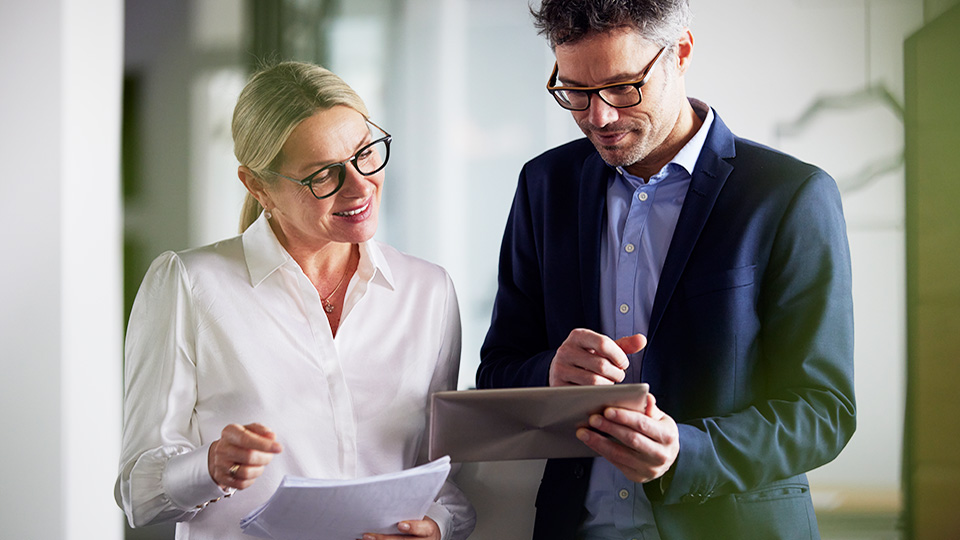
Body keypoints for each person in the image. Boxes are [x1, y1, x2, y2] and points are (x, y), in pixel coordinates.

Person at [477, 1, 855, 539]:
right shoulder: (544, 186)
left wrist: (688, 451)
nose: (598, 117)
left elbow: (825, 410)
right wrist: (550, 374)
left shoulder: (790, 195)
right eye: (576, 92)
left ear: (681, 52)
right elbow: (497, 372)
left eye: (622, 87)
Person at [116, 61, 476, 540]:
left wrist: (437, 527)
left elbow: (440, 476)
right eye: (324, 174)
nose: (360, 184)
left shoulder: (427, 291)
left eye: (365, 153)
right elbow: (136, 493)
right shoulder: (189, 284)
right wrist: (209, 466)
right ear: (258, 186)